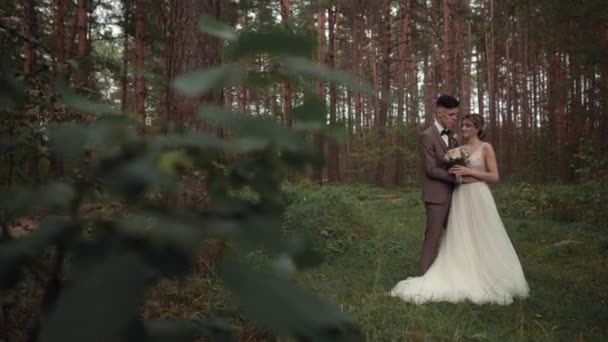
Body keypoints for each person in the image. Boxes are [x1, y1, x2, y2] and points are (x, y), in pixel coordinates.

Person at [390, 114, 529, 305]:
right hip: (460, 196)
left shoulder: (486, 147)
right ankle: (463, 269)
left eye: (468, 126)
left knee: (484, 234)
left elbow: (495, 176)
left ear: (478, 129)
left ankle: (488, 272)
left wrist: (470, 171)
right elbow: (446, 171)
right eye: (462, 125)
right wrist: (456, 173)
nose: (463, 129)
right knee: (462, 235)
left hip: (479, 196)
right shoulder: (458, 149)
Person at [417, 95, 463, 275]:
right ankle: (422, 277)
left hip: (455, 195)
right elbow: (430, 169)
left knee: (455, 235)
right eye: (451, 115)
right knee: (433, 237)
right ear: (439, 113)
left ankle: (453, 273)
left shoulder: (452, 136)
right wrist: (455, 178)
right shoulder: (427, 136)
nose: (455, 118)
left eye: (456, 115)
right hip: (436, 196)